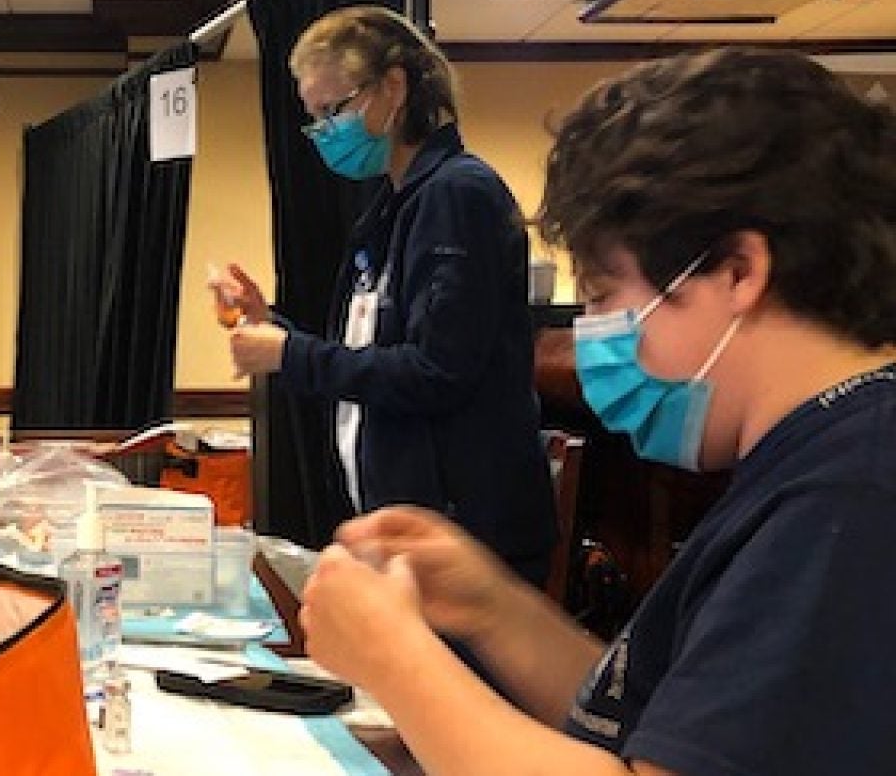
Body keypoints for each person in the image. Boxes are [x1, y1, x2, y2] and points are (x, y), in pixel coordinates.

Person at [301, 47, 896, 775]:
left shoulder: (851, 493)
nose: (593, 339)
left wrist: (398, 660)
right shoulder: (809, 461)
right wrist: (493, 606)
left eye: (606, 296)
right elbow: (653, 729)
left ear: (739, 272)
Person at [221, 5, 556, 585]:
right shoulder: (394, 206)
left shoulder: (457, 195)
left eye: (335, 110)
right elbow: (369, 356)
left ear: (393, 87)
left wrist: (288, 355)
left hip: (464, 538)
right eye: (314, 118)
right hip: (409, 528)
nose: (326, 131)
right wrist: (273, 327)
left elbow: (437, 369)